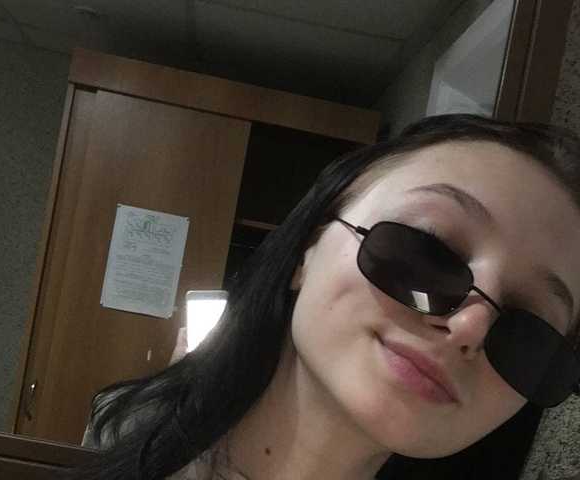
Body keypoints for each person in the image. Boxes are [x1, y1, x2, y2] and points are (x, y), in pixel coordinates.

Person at [67, 114, 580, 480]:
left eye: (529, 329)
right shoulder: (126, 427)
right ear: (307, 249)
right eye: (426, 250)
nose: (470, 327)